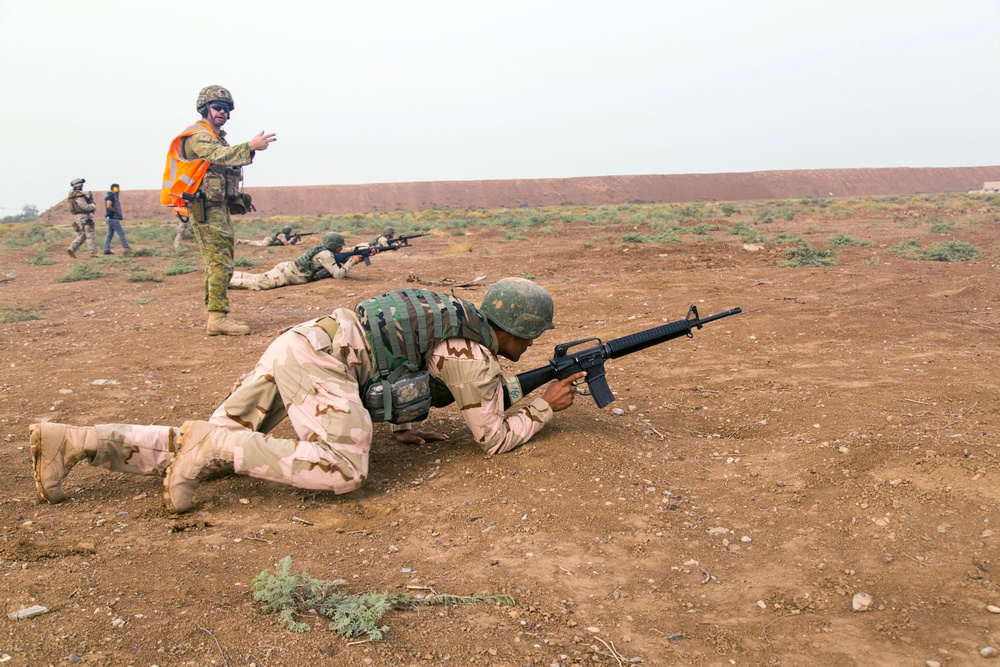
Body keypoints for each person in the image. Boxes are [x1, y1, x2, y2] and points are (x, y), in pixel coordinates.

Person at [30, 278, 584, 513]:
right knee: (342, 469)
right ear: (514, 328)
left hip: (303, 342)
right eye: (529, 336)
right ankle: (208, 447)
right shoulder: (473, 352)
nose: (528, 345)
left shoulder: (455, 320)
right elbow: (492, 437)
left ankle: (75, 441)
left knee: (222, 442)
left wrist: (403, 420)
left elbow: (398, 366)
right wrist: (543, 407)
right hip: (322, 361)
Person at [160, 85, 277, 336]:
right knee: (219, 263)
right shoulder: (199, 136)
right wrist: (251, 146)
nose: (222, 113)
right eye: (217, 108)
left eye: (226, 109)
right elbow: (219, 156)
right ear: (205, 108)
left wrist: (236, 197)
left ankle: (216, 314)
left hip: (216, 207)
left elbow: (220, 170)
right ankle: (217, 318)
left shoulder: (214, 135)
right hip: (206, 209)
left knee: (220, 261)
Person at [229, 232, 365, 291]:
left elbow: (344, 251)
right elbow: (338, 275)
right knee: (259, 284)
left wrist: (360, 249)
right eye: (340, 246)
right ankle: (227, 281)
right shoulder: (327, 256)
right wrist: (352, 262)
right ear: (334, 246)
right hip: (286, 275)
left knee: (257, 277)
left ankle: (230, 273)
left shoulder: (323, 250)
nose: (341, 248)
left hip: (287, 268)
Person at [66, 178, 97, 258]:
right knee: (90, 234)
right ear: (78, 185)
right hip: (84, 216)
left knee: (82, 235)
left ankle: (72, 248)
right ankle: (93, 253)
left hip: (78, 217)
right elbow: (85, 207)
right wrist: (93, 205)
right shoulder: (78, 196)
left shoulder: (72, 195)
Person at [102, 183, 132, 255]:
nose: (119, 190)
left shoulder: (112, 196)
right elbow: (108, 206)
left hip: (110, 218)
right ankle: (127, 248)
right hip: (112, 218)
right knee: (121, 233)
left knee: (109, 234)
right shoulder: (111, 196)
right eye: (118, 188)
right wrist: (116, 212)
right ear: (115, 189)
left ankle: (106, 249)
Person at [237, 225, 303, 247]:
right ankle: (241, 241)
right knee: (257, 244)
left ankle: (241, 241)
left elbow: (291, 244)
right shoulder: (282, 235)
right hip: (268, 241)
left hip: (269, 241)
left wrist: (295, 239)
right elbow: (286, 244)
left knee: (256, 242)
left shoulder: (283, 235)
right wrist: (292, 239)